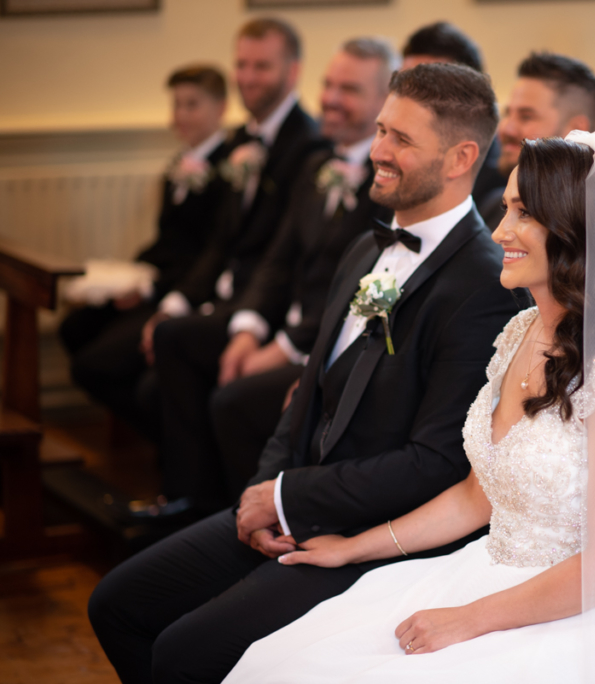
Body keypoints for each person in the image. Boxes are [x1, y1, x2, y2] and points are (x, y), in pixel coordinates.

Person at [220, 128, 595, 683]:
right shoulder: (519, 331)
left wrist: (468, 620)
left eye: (521, 213)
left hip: (577, 611)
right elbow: (476, 496)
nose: (499, 230)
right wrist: (351, 549)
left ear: (570, 230)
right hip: (487, 571)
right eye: (506, 208)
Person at [87, 62, 523, 684]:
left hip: (379, 537)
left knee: (183, 652)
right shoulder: (366, 247)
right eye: (381, 130)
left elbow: (437, 463)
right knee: (118, 605)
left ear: (460, 158)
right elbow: (307, 394)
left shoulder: (483, 285)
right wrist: (263, 493)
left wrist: (290, 501)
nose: (377, 151)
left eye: (401, 139)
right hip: (301, 505)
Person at [148, 38, 396, 515]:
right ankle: (189, 501)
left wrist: (282, 348)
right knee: (175, 339)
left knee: (232, 402)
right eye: (328, 85)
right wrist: (248, 330)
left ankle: (249, 517)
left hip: (327, 339)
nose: (330, 99)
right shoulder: (315, 164)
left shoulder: (388, 181)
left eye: (350, 89)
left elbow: (357, 290)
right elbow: (278, 262)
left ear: (385, 101)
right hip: (284, 324)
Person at [59, 65, 230, 441]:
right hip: (159, 278)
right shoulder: (179, 165)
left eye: (192, 105)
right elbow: (166, 240)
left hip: (189, 292)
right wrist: (129, 274)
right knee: (74, 327)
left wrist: (150, 291)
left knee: (92, 366)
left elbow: (209, 253)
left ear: (220, 108)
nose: (180, 116)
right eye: (176, 105)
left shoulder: (230, 169)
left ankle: (170, 438)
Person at [477, 51, 595, 229]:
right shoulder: (492, 207)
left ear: (577, 131)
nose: (506, 128)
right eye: (507, 114)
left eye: (526, 117)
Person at [399, 21, 505, 208]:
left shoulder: (499, 182)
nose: (407, 101)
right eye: (403, 87)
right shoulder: (391, 158)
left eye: (426, 89)